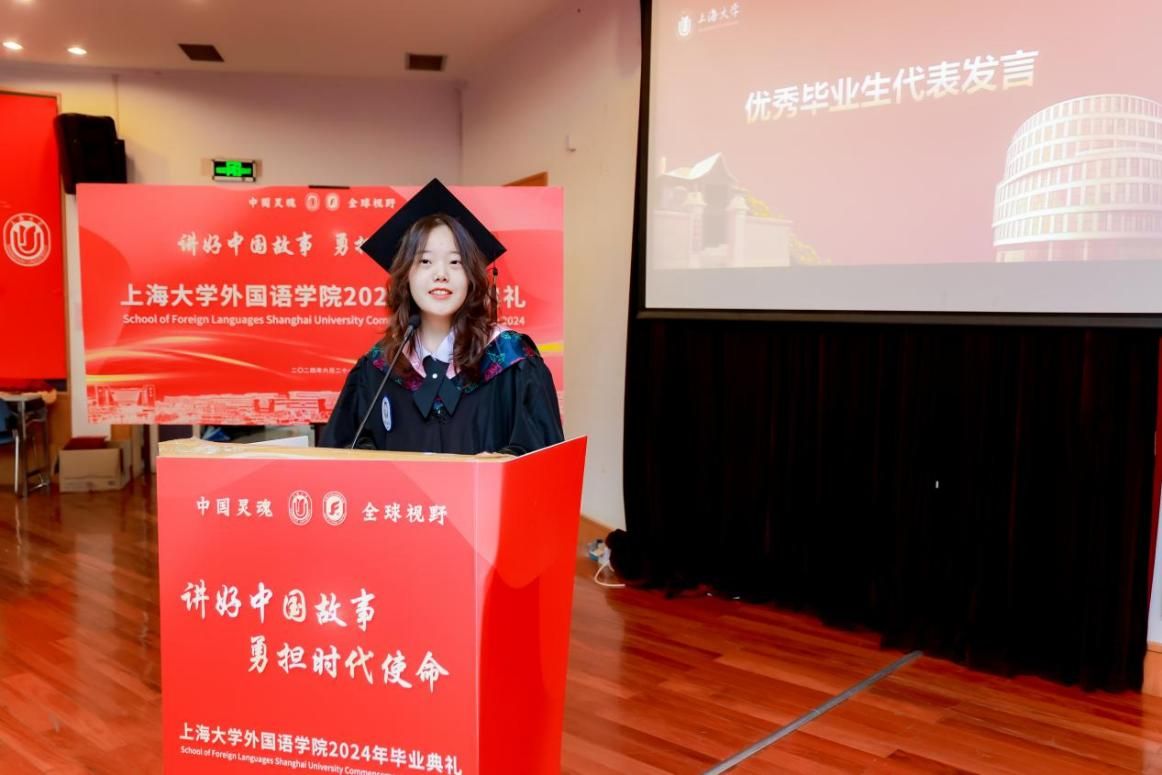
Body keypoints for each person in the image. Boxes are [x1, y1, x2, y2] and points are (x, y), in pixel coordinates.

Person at [319, 179, 564, 455]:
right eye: (425, 261)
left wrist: (503, 462)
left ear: (471, 276)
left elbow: (544, 459)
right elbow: (342, 456)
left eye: (455, 262)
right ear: (405, 275)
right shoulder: (380, 367)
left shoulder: (511, 359)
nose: (441, 274)